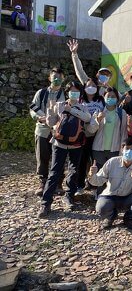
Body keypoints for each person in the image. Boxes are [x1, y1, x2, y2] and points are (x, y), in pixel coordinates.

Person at [38, 81, 91, 218]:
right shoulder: (59, 104)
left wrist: (71, 110)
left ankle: (69, 196)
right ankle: (45, 203)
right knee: (55, 171)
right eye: (71, 90)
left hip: (76, 144)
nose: (74, 93)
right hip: (59, 143)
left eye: (76, 90)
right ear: (67, 92)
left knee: (74, 170)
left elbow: (87, 118)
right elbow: (50, 123)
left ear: (80, 92)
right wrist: (50, 110)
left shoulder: (83, 106)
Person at [87, 137, 132, 230]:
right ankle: (110, 217)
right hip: (110, 196)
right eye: (127, 148)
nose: (129, 151)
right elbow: (98, 181)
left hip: (127, 197)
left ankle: (129, 218)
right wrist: (92, 174)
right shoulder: (112, 162)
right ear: (122, 149)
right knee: (101, 207)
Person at [29, 68, 66, 196]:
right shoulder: (41, 93)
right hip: (42, 129)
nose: (56, 78)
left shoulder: (65, 93)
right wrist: (38, 117)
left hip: (60, 130)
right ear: (49, 78)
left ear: (63, 78)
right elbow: (33, 108)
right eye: (54, 76)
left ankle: (58, 182)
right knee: (42, 156)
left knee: (59, 157)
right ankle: (43, 182)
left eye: (59, 76)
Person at [87, 87, 128, 195]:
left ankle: (110, 195)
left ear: (117, 99)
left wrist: (122, 149)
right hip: (98, 148)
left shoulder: (121, 113)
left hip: (114, 149)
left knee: (113, 172)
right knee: (100, 172)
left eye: (113, 97)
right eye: (108, 96)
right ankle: (99, 195)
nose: (110, 98)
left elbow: (124, 132)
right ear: (104, 97)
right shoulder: (98, 111)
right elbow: (91, 130)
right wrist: (97, 120)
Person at [76, 77, 105, 196]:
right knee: (82, 160)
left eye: (93, 85)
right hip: (83, 135)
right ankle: (80, 185)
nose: (91, 87)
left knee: (95, 161)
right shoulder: (80, 100)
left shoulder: (101, 100)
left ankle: (95, 185)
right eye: (88, 85)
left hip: (97, 135)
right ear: (84, 87)